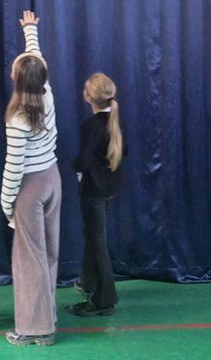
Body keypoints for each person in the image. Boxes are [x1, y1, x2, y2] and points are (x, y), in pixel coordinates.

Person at [1, 10, 61, 346]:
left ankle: (34, 329)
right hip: (52, 177)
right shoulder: (47, 92)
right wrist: (31, 30)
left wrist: (6, 204)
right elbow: (37, 60)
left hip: (30, 187)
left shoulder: (17, 118)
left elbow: (14, 166)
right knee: (48, 252)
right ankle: (47, 317)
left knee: (28, 259)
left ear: (17, 80)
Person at [69, 72, 125, 317]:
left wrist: (72, 165)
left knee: (96, 241)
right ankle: (88, 283)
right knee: (93, 236)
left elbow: (82, 161)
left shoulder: (91, 125)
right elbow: (124, 151)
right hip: (109, 188)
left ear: (89, 97)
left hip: (93, 191)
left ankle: (104, 300)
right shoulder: (115, 121)